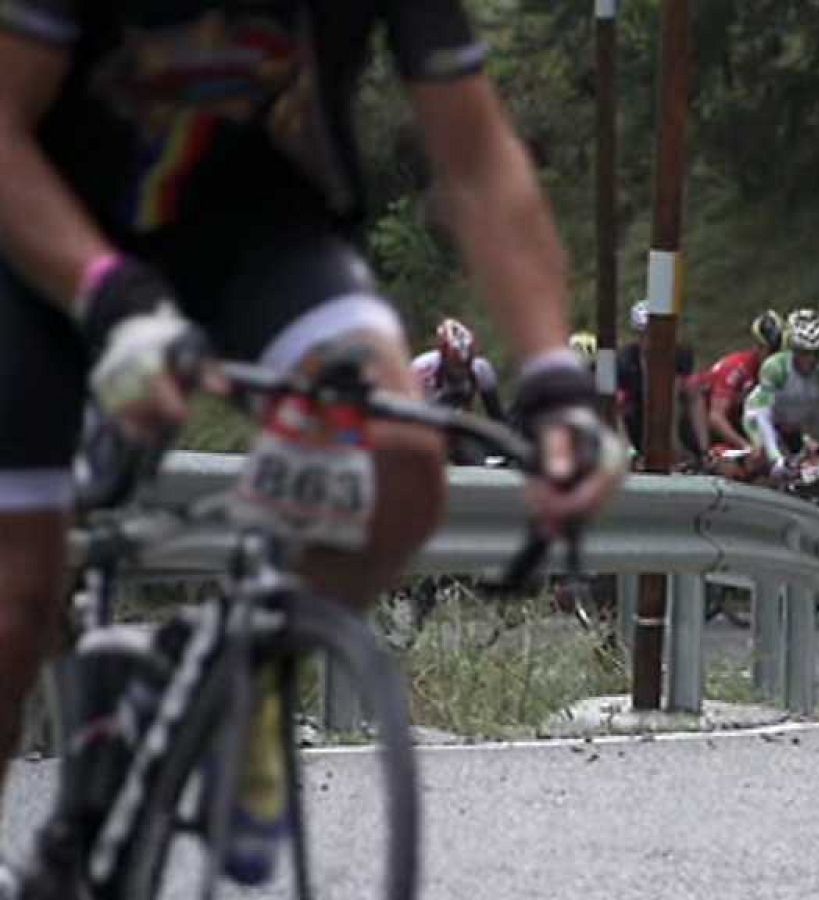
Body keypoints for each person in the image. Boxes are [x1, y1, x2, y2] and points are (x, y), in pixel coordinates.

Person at [0, 3, 622, 889]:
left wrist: (557, 381)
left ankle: (233, 695)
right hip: (58, 242)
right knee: (16, 604)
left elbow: (477, 158)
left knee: (400, 463)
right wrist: (105, 296)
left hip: (264, 237)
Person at [744, 309, 819, 477]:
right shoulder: (775, 367)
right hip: (759, 418)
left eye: (816, 353)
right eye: (803, 353)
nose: (810, 360)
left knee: (812, 463)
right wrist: (775, 457)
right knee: (767, 461)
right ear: (792, 348)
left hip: (792, 422)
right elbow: (763, 415)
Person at [616, 300, 709, 467]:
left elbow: (692, 397)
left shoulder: (680, 353)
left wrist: (703, 449)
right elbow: (614, 409)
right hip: (635, 418)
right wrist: (629, 452)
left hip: (671, 418)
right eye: (648, 334)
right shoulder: (625, 361)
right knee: (616, 402)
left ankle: (698, 452)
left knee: (689, 389)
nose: (654, 340)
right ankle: (631, 454)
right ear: (639, 335)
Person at [701, 310, 786, 480]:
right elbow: (716, 418)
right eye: (770, 352)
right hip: (712, 432)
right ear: (758, 347)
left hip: (746, 430)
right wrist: (746, 445)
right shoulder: (736, 369)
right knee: (733, 471)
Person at [411, 318, 505, 464]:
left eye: (465, 365)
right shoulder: (421, 369)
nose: (460, 372)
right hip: (424, 432)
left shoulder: (481, 369)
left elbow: (497, 417)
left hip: (460, 433)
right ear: (443, 357)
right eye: (455, 366)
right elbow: (409, 418)